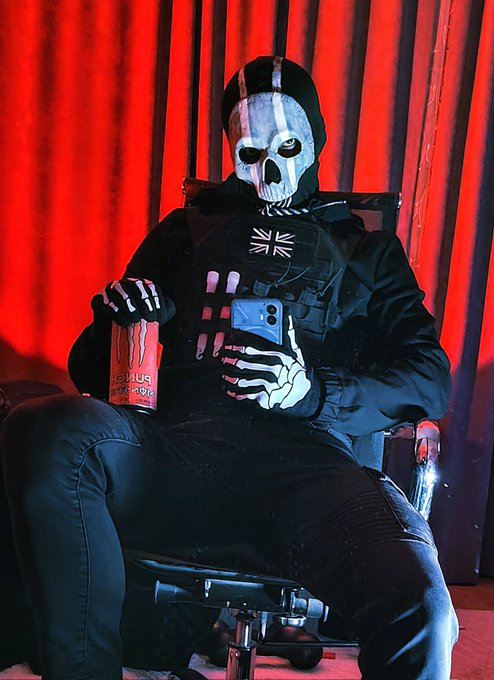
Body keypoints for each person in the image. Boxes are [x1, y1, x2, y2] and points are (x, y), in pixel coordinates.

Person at [2, 56, 458, 680]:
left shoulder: (369, 252)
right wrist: (126, 323)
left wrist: (311, 392)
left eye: (288, 146)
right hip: (178, 453)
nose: (270, 169)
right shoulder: (186, 232)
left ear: (316, 142)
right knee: (48, 426)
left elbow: (429, 377)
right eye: (250, 152)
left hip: (310, 469)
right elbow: (88, 370)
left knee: (421, 608)